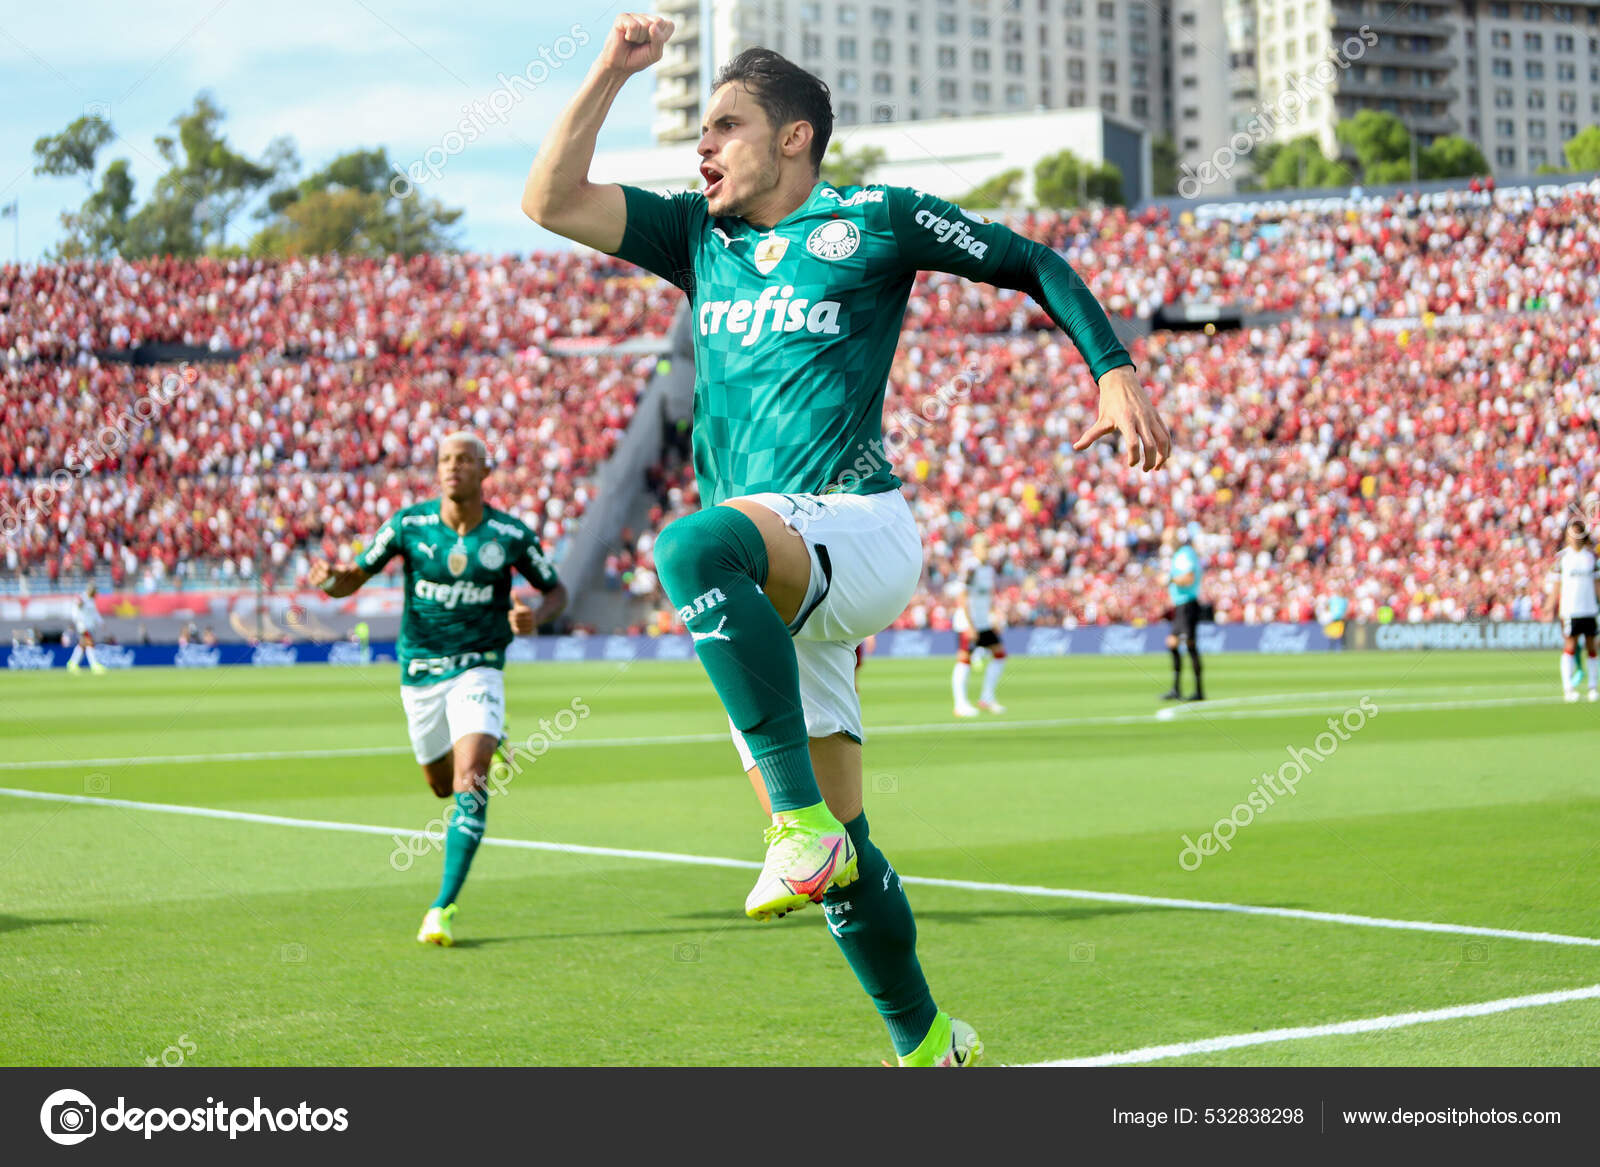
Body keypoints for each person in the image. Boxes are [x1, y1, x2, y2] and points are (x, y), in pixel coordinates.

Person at [523, 17, 1170, 1066]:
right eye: (700, 129)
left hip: (858, 531)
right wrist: (606, 69)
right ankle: (926, 1044)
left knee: (687, 552)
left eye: (725, 126)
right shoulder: (697, 236)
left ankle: (794, 826)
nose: (705, 147)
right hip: (781, 582)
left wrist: (1112, 367)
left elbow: (1030, 260)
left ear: (795, 138)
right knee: (843, 852)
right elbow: (547, 200)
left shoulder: (873, 219)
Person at [309, 433, 569, 945]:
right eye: (446, 460)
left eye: (465, 460)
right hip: (420, 673)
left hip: (480, 666)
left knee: (470, 779)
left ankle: (441, 908)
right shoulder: (408, 525)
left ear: (484, 470)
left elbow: (556, 589)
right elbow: (353, 577)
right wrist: (330, 578)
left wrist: (535, 616)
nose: (454, 468)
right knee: (441, 785)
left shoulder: (510, 534)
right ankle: (489, 731)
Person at [951, 536, 1007, 716]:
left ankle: (987, 698)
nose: (987, 549)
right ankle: (960, 704)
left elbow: (988, 595)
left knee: (999, 654)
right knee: (964, 660)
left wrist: (994, 616)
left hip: (983, 622)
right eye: (984, 546)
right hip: (968, 622)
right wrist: (970, 625)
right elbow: (962, 596)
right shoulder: (970, 567)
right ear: (974, 548)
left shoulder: (989, 568)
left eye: (988, 546)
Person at [1547, 518, 1599, 703]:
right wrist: (1549, 606)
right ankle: (1568, 688)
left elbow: (1597, 584)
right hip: (1570, 610)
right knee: (1570, 646)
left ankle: (1593, 687)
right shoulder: (1562, 558)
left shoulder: (1591, 558)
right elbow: (1556, 585)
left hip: (1589, 609)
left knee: (1592, 647)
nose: (1574, 538)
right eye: (1571, 534)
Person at [1161, 526, 1205, 702]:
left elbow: (1189, 578)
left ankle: (1198, 691)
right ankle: (1176, 688)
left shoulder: (1185, 554)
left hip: (1188, 604)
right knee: (1173, 643)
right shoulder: (1178, 555)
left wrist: (1169, 579)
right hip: (1181, 606)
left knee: (1190, 645)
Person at [65, 585, 107, 674]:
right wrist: (77, 621)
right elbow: (75, 610)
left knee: (82, 646)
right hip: (83, 626)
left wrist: (101, 622)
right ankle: (94, 665)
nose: (96, 594)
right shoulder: (82, 598)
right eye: (95, 592)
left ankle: (72, 663)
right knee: (90, 644)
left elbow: (95, 613)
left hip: (90, 626)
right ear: (90, 591)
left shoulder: (91, 601)